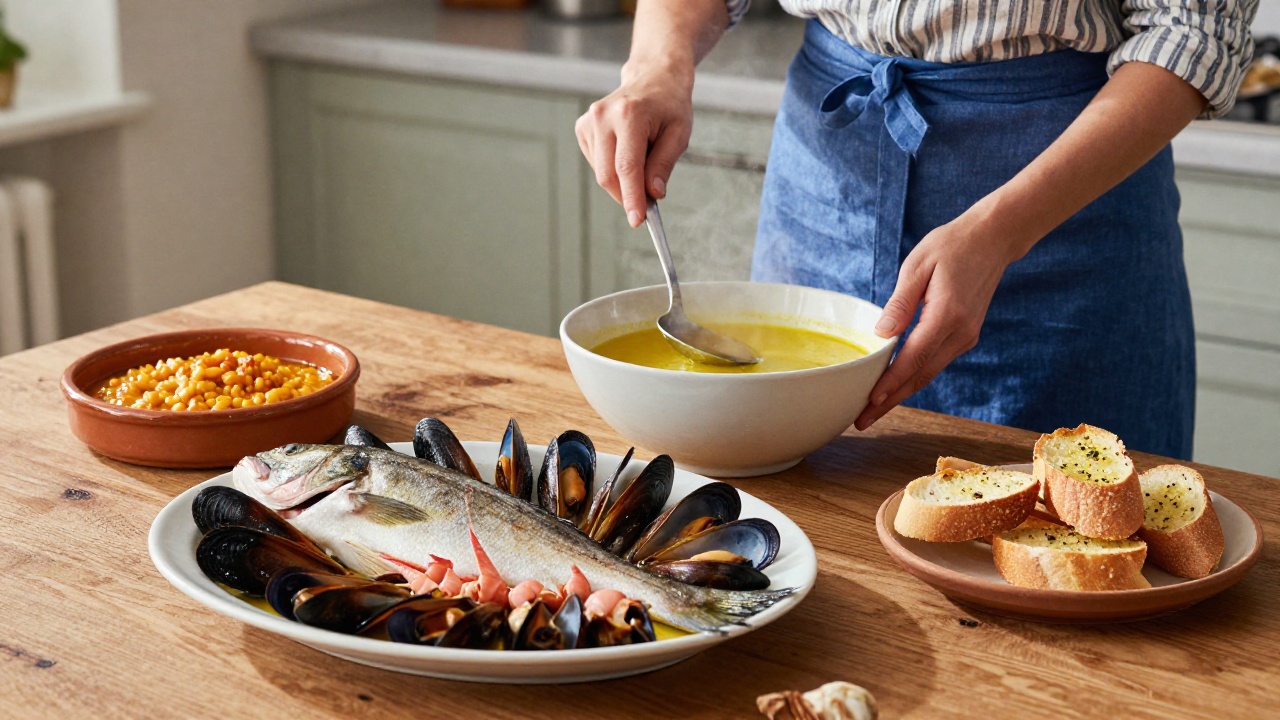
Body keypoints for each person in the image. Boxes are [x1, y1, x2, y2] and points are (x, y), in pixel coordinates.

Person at [575, 0, 1257, 459]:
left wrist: (1002, 229)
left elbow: (1194, 32)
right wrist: (656, 69)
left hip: (1064, 205)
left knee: (1076, 548)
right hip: (826, 166)